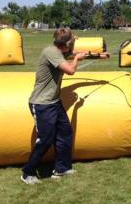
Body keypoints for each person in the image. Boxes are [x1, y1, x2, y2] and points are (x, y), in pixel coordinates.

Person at [21, 28, 85, 185]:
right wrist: (76, 58)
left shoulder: (57, 51)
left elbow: (68, 55)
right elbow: (70, 70)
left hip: (54, 102)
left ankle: (61, 168)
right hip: (42, 103)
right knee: (45, 139)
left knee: (65, 132)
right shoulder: (50, 52)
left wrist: (96, 56)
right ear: (67, 44)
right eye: (72, 42)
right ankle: (27, 172)